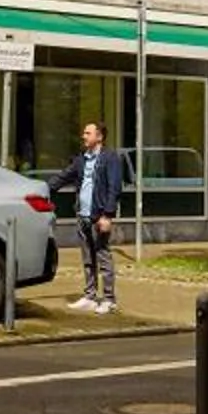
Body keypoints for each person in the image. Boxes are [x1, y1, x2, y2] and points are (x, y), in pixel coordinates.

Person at [55, 121, 128, 314]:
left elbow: (115, 187)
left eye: (88, 133)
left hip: (99, 216)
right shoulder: (82, 158)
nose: (84, 136)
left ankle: (109, 299)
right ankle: (90, 296)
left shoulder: (110, 158)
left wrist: (108, 215)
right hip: (83, 216)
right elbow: (64, 176)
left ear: (99, 137)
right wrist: (43, 189)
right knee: (88, 258)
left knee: (103, 257)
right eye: (84, 133)